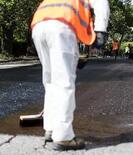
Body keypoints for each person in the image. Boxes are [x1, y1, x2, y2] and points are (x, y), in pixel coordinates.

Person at [31, 0, 110, 151]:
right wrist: (100, 31)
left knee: (50, 81)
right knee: (64, 83)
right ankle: (63, 137)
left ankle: (51, 128)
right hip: (61, 26)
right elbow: (101, 4)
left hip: (39, 25)